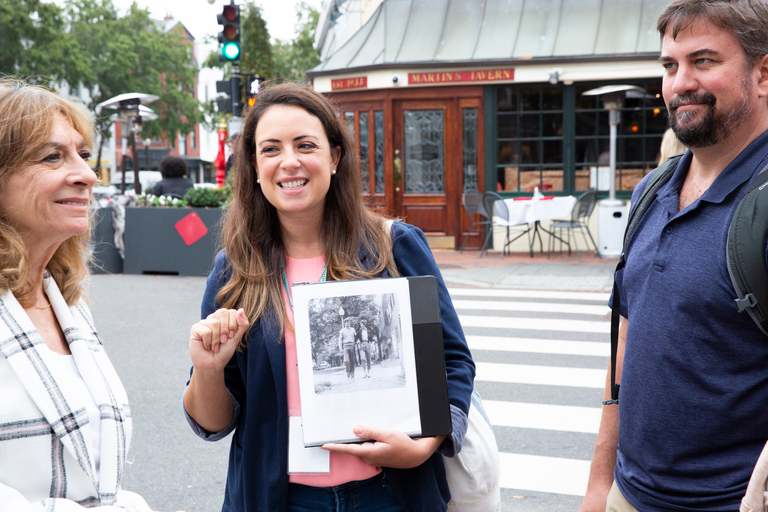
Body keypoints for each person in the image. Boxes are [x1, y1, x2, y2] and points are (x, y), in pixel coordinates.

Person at [182, 82, 475, 512]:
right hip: (279, 499)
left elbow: (451, 363)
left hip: (392, 495)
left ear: (334, 157)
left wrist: (425, 445)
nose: (289, 162)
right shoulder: (234, 270)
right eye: (270, 149)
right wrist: (207, 369)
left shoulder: (394, 247)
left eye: (305, 145)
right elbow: (213, 422)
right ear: (254, 164)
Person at [579, 1, 768, 511]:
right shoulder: (652, 189)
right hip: (629, 494)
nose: (680, 82)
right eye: (669, 65)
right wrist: (601, 483)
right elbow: (627, 337)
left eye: (703, 61)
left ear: (763, 73)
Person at [0, 78, 155, 510]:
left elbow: (89, 474)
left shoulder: (65, 304)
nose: (87, 175)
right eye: (53, 156)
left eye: (83, 155)